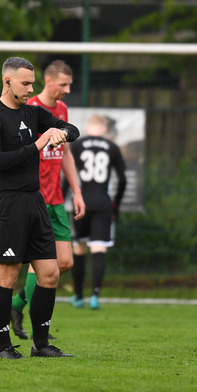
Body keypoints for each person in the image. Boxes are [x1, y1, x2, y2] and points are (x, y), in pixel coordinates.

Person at [0, 57, 80, 358]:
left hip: (36, 201)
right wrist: (39, 144)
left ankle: (41, 345)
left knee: (50, 273)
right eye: (25, 83)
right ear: (7, 81)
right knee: (7, 277)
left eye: (32, 83)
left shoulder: (33, 113)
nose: (30, 89)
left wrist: (62, 133)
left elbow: (71, 128)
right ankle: (3, 347)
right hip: (7, 204)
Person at [10, 60, 86, 341]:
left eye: (70, 85)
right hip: (36, 198)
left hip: (56, 198)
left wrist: (77, 191)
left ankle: (16, 304)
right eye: (63, 84)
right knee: (40, 264)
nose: (67, 90)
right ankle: (39, 327)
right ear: (49, 81)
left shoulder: (61, 110)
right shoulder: (30, 111)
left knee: (64, 262)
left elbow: (65, 153)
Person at [69, 114, 126, 310]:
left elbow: (67, 174)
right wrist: (116, 204)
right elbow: (123, 180)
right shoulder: (112, 147)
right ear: (104, 129)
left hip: (81, 203)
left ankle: (78, 297)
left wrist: (61, 198)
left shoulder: (77, 145)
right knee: (99, 248)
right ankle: (95, 295)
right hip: (103, 203)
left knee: (79, 248)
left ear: (88, 128)